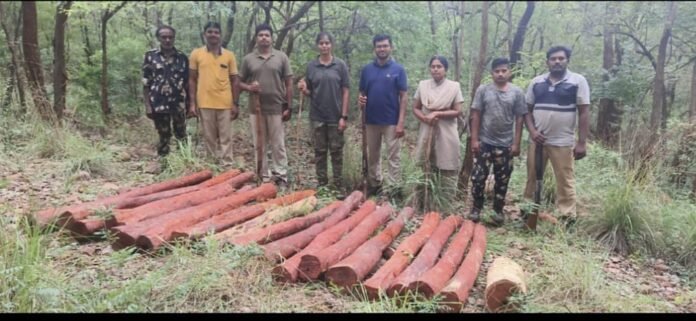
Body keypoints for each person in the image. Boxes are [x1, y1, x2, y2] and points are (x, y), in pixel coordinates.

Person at [524, 46, 590, 223]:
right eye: (553, 59)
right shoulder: (536, 82)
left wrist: (582, 142)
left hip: (563, 141)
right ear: (548, 62)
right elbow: (526, 111)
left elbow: (583, 111)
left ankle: (566, 216)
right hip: (537, 140)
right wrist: (533, 131)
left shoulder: (577, 81)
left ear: (567, 60)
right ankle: (528, 211)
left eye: (561, 58)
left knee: (565, 179)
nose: (557, 62)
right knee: (532, 176)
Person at [468, 58, 528, 225]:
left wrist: (516, 143)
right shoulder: (483, 90)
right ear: (492, 73)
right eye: (497, 71)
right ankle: (476, 209)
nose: (500, 74)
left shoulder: (516, 92)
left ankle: (497, 210)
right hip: (485, 142)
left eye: (504, 71)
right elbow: (476, 115)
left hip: (506, 144)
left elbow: (520, 118)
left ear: (509, 72)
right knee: (478, 178)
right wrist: (474, 139)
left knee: (503, 179)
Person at [239, 23, 293, 187]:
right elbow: (238, 82)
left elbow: (289, 82)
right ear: (256, 38)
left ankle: (281, 176)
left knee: (278, 144)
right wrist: (249, 87)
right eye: (260, 35)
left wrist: (289, 106)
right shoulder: (249, 59)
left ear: (271, 38)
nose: (264, 37)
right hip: (256, 109)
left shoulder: (281, 57)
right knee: (259, 144)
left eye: (267, 35)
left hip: (276, 107)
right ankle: (263, 175)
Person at [297, 32, 350, 191]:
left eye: (327, 43)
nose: (324, 46)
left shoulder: (340, 65)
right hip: (317, 115)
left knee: (336, 152)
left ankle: (338, 186)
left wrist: (344, 116)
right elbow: (310, 92)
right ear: (317, 45)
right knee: (320, 152)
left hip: (335, 115)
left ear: (331, 45)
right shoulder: (312, 66)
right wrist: (304, 89)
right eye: (321, 43)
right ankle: (322, 186)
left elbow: (345, 90)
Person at [358, 34, 408, 197]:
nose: (382, 49)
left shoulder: (398, 70)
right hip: (371, 120)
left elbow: (404, 96)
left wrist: (401, 122)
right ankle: (375, 184)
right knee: (373, 155)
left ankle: (394, 188)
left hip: (391, 121)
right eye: (379, 46)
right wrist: (360, 101)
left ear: (391, 47)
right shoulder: (367, 70)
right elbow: (362, 93)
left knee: (394, 156)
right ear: (374, 49)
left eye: (385, 46)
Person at [412, 55, 464, 209]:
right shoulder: (423, 85)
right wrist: (425, 118)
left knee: (447, 164)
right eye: (433, 66)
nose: (435, 69)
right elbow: (415, 107)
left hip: (446, 131)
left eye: (439, 66)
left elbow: (458, 111)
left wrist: (437, 114)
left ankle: (445, 203)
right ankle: (423, 201)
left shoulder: (454, 86)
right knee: (425, 163)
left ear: (445, 69)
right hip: (427, 128)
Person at [188, 21, 240, 165]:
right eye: (210, 32)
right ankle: (211, 165)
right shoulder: (196, 54)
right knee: (209, 137)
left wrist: (235, 104)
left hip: (225, 102)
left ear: (220, 35)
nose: (213, 35)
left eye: (216, 32)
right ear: (205, 34)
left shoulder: (229, 55)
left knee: (226, 137)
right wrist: (192, 103)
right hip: (204, 102)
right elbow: (192, 79)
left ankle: (227, 165)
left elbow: (235, 80)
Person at [142, 25, 189, 157]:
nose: (167, 40)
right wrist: (148, 106)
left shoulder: (182, 58)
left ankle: (185, 161)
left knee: (182, 134)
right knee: (163, 134)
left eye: (170, 37)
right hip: (158, 103)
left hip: (178, 103)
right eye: (164, 37)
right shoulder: (150, 56)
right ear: (158, 38)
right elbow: (146, 83)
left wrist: (191, 105)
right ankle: (164, 164)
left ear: (174, 38)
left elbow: (187, 83)